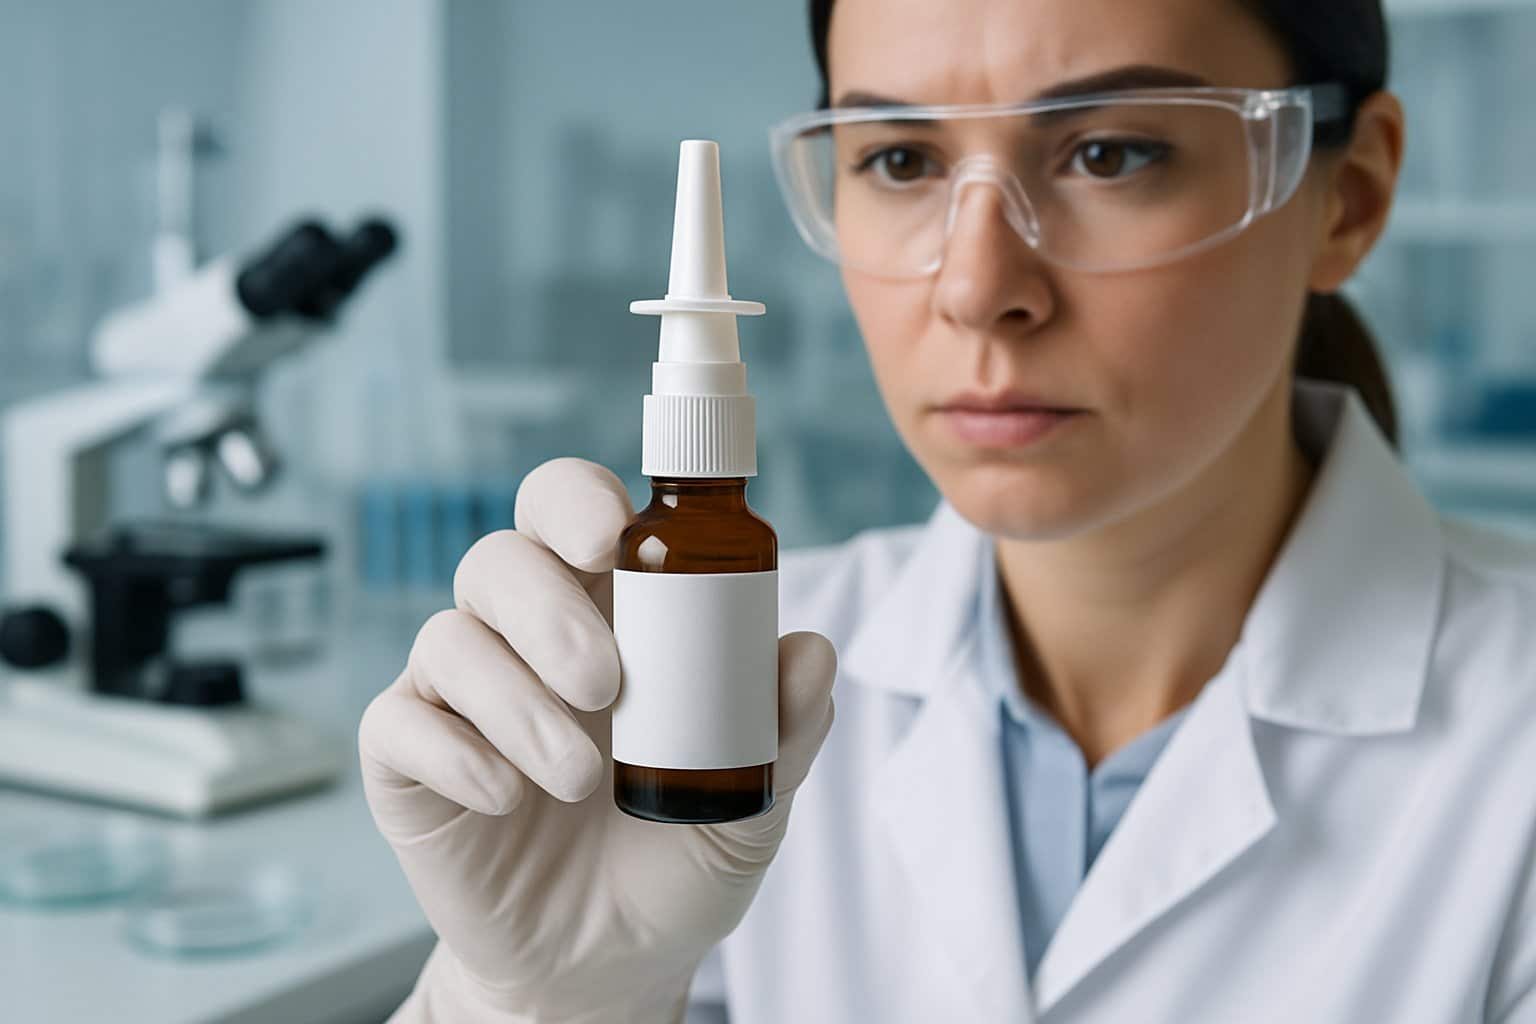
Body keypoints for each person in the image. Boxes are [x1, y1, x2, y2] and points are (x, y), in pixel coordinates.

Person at [358, 0, 1536, 1020]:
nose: (977, 288)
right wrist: (548, 1005)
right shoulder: (722, 685)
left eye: (1112, 153)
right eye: (902, 162)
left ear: (1349, 196)